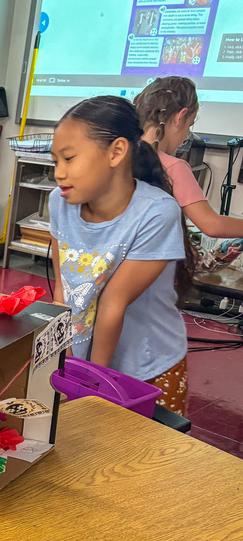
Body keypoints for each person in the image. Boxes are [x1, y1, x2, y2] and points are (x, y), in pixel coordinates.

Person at [48, 95, 192, 414]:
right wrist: (70, 364)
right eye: (55, 161)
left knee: (144, 458)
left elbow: (113, 303)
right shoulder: (60, 202)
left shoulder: (155, 213)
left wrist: (91, 388)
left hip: (146, 368)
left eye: (70, 159)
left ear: (116, 152)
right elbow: (63, 292)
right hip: (82, 361)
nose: (59, 173)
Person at [134, 76, 243, 239]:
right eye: (189, 124)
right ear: (180, 117)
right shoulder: (172, 167)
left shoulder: (120, 154)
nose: (187, 133)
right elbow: (212, 225)